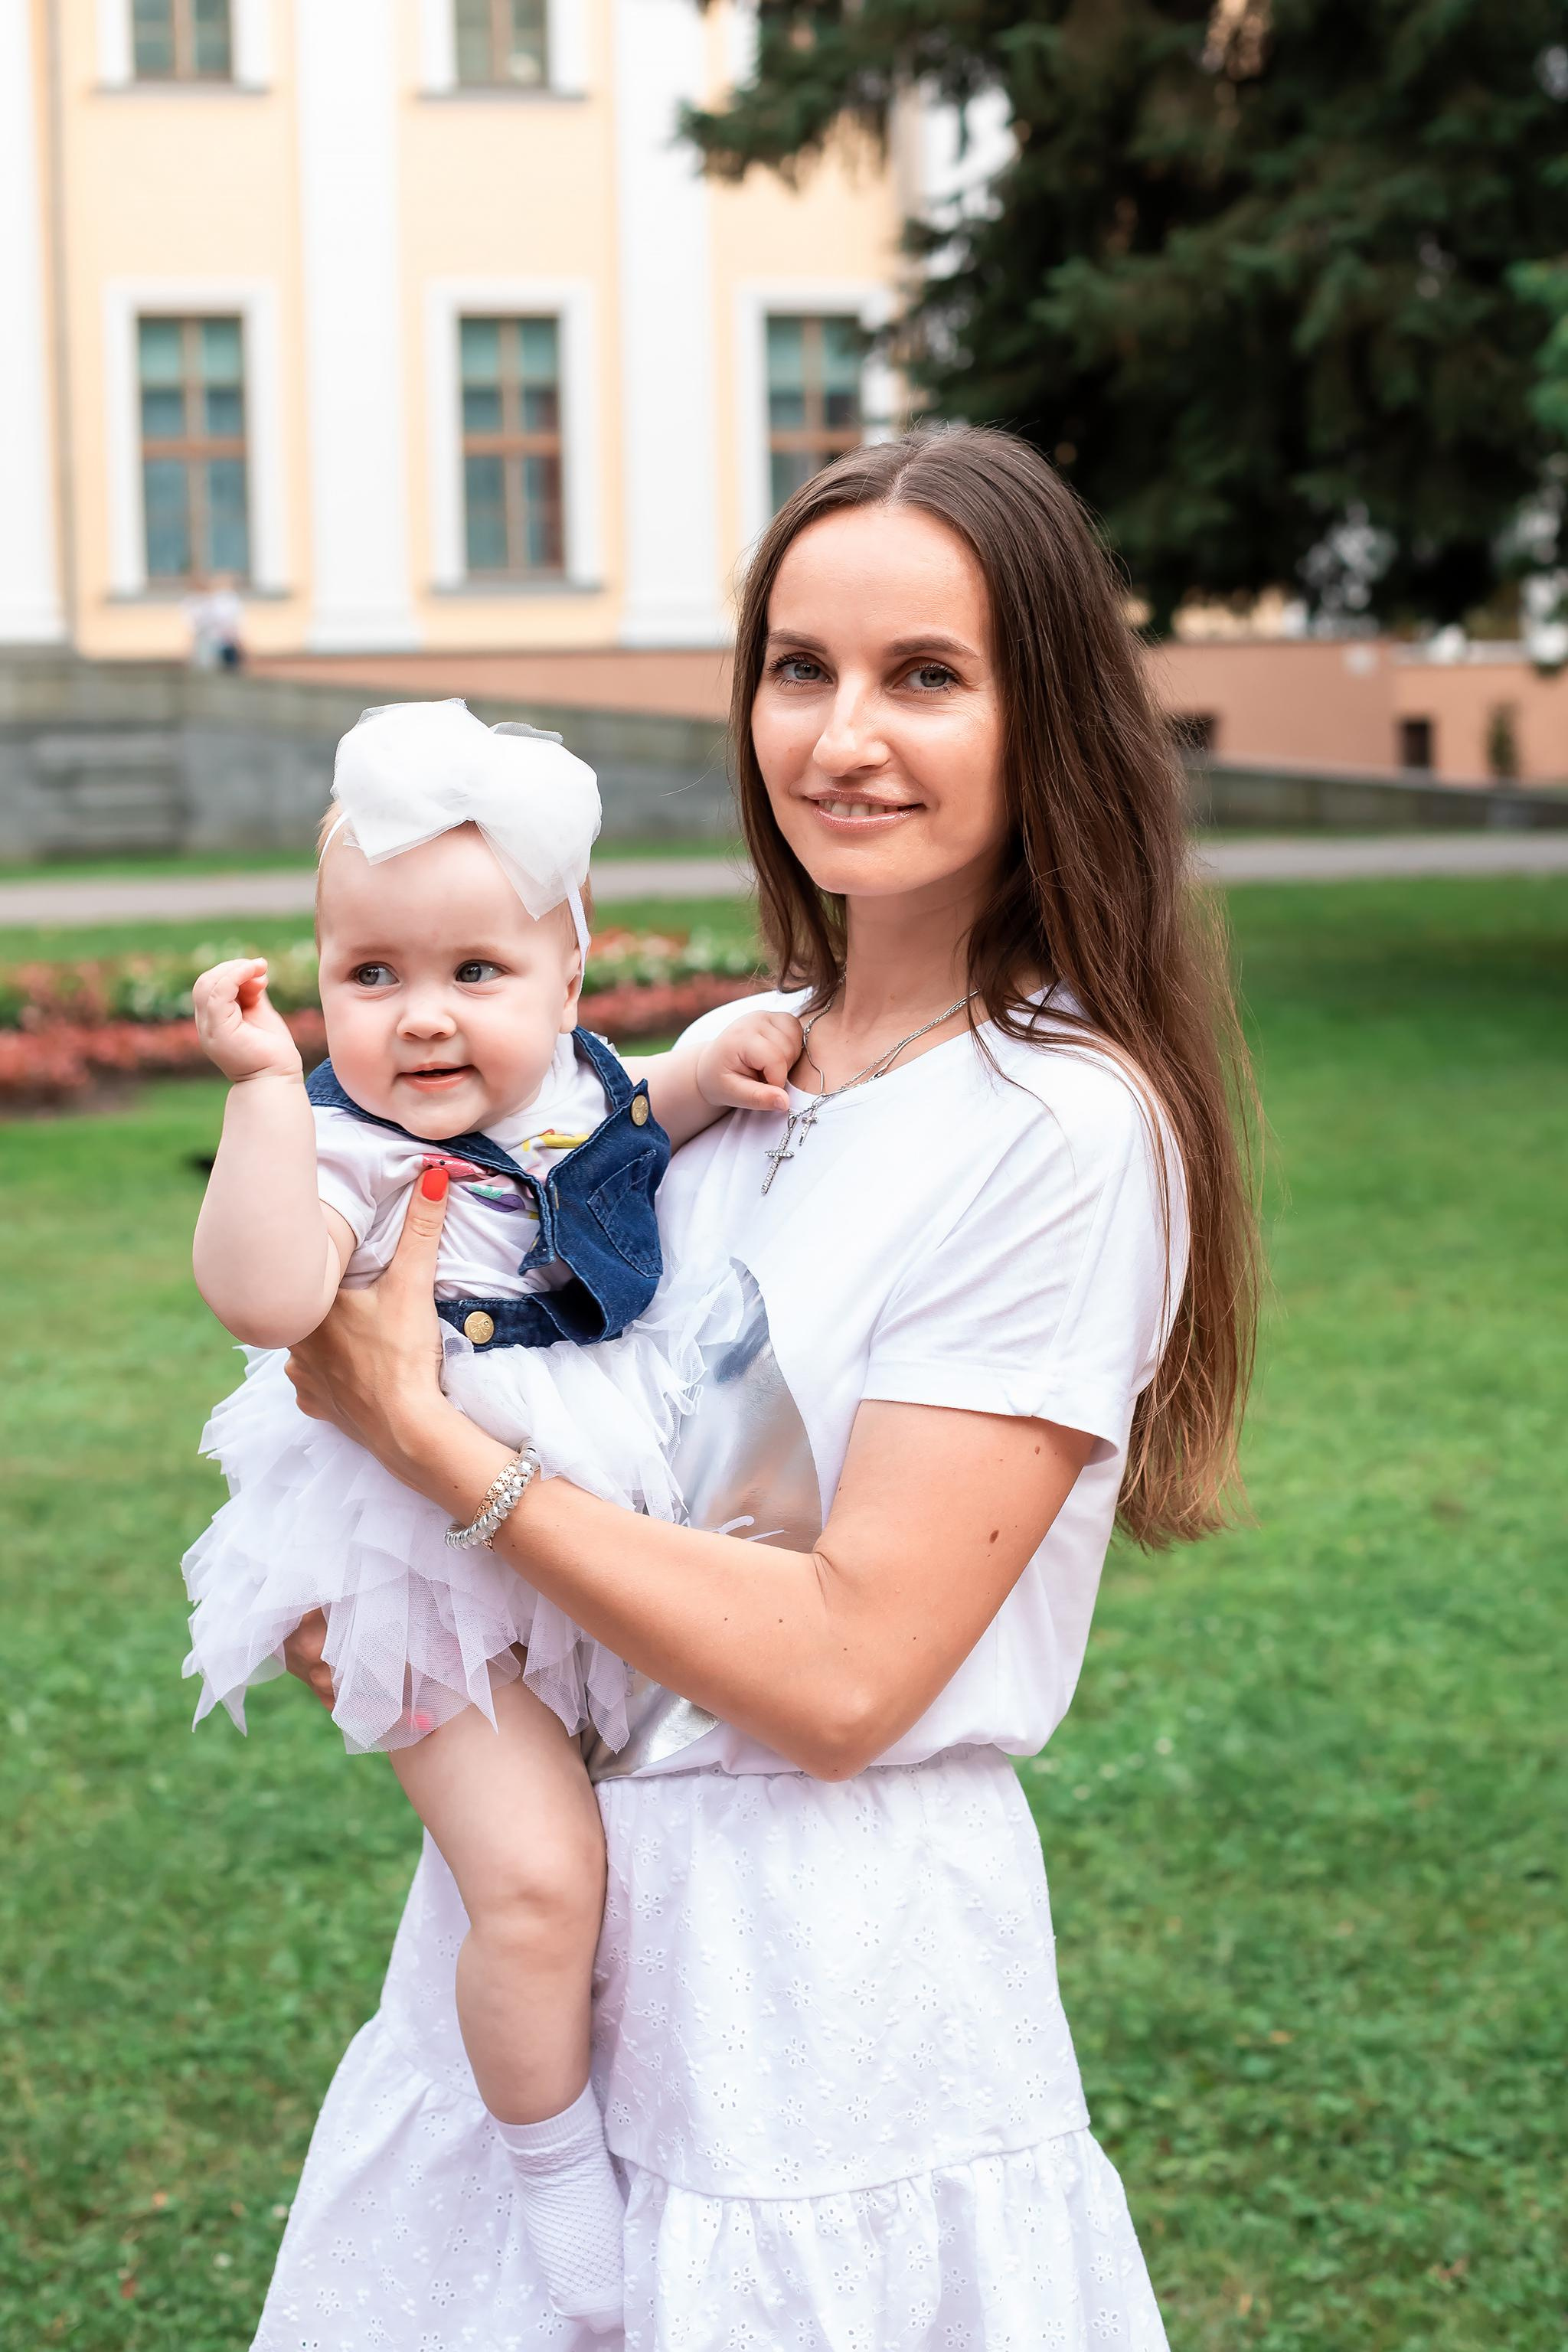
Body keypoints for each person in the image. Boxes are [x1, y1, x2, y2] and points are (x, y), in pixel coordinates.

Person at [253, 425, 1259, 2349]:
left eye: (925, 677)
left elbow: (840, 1672)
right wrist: (403, 1620)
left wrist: (426, 1445)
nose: (841, 736)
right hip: (547, 1952)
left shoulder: (1054, 1125)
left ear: (1045, 714)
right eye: (801, 669)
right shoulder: (729, 1086)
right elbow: (641, 1486)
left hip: (824, 2006)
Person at [181, 697, 801, 2333]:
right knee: (535, 1880)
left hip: (562, 1530)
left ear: (568, 983)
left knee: (634, 1854)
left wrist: (691, 1076)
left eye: (477, 974)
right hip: (401, 1554)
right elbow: (262, 1296)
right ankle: (549, 2180)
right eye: (371, 977)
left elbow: (602, 1151)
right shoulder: (346, 1153)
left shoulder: (572, 1086)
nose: (424, 1021)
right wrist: (258, 1096)